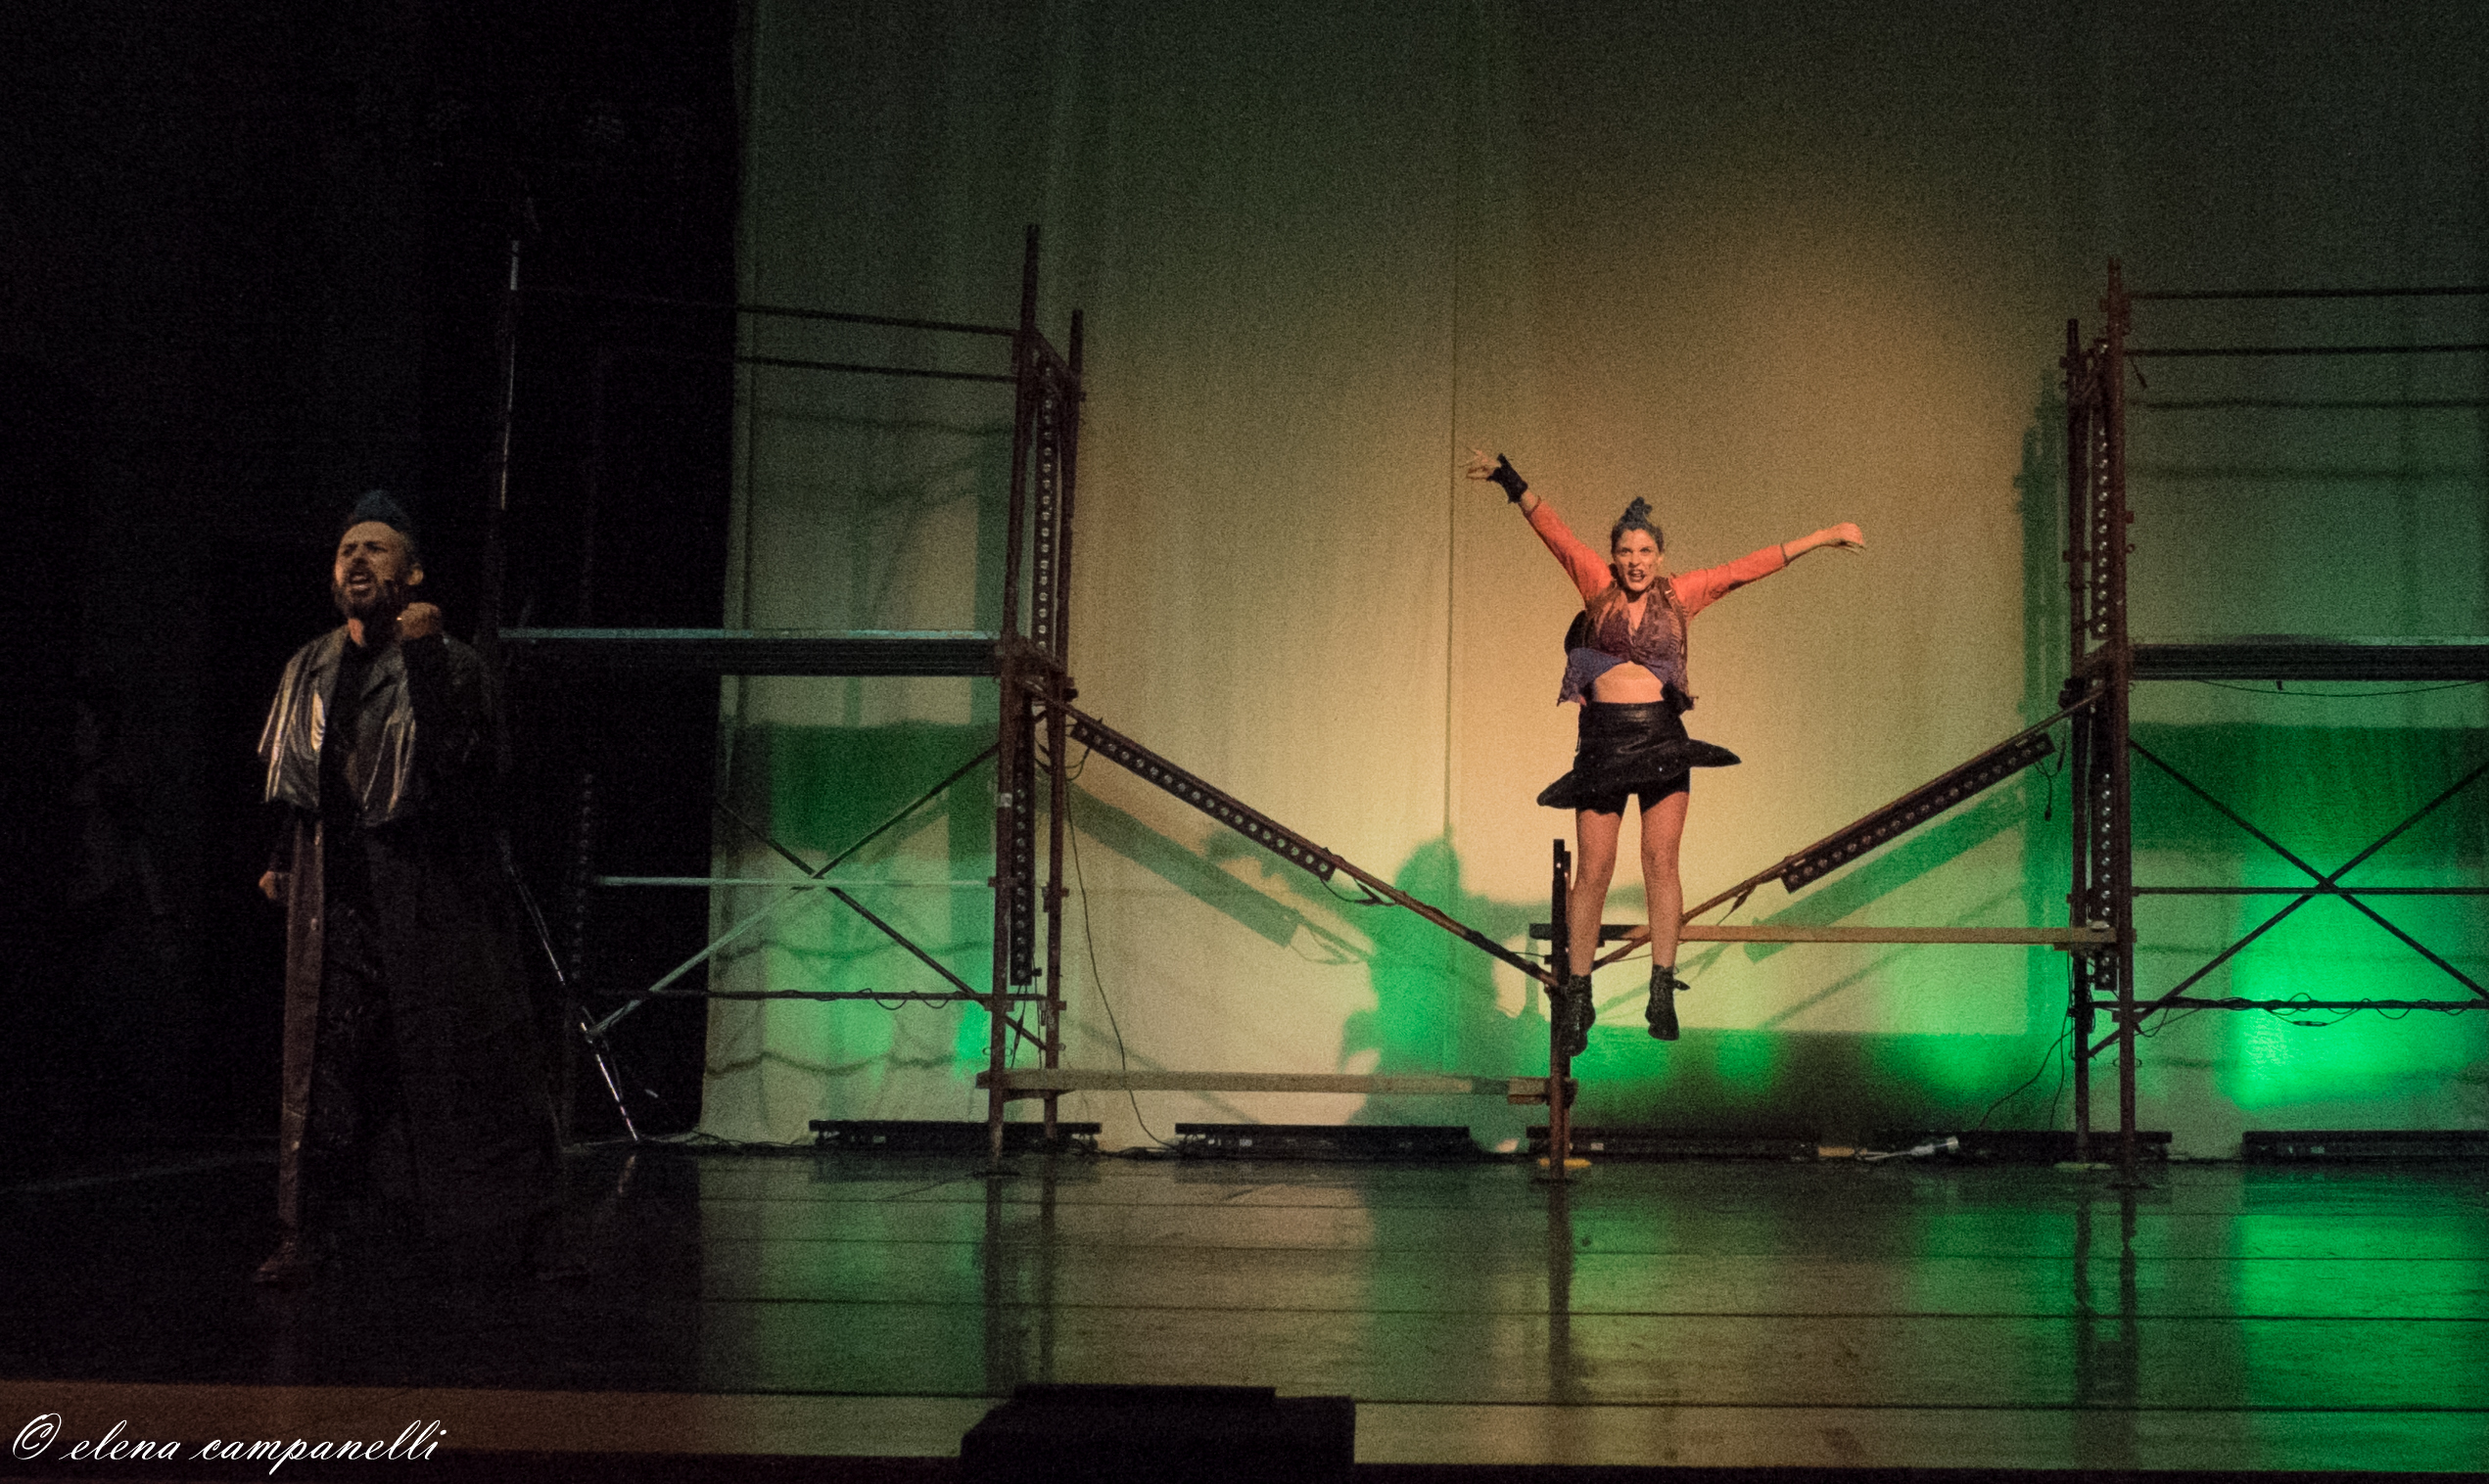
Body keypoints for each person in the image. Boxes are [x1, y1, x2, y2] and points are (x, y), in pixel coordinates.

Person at [253, 490, 567, 1283]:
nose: (356, 559)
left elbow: (468, 773)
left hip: (432, 898)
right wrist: (282, 860)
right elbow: (301, 782)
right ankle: (308, 1233)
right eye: (346, 550)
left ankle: (521, 1236)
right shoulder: (309, 666)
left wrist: (424, 659)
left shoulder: (451, 662)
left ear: (414, 573)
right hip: (340, 905)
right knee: (326, 1072)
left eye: (376, 548)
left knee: (469, 1066)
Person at [1467, 450, 1863, 1046]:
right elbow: (1554, 532)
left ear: (1660, 557)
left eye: (1645, 551)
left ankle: (1661, 990)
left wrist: (1824, 537)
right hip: (1603, 742)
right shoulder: (1595, 585)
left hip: (1659, 740)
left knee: (1660, 862)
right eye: (1626, 552)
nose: (1635, 561)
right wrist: (1506, 475)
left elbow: (1747, 568)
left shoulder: (1683, 595)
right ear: (1614, 557)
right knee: (1594, 871)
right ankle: (1578, 996)